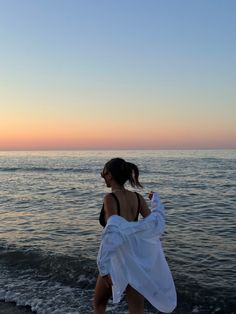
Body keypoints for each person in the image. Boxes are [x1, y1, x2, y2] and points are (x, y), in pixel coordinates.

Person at [93, 157, 176, 314]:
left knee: (99, 303)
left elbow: (113, 231)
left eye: (103, 172)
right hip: (135, 262)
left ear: (110, 175)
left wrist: (103, 268)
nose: (102, 176)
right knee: (136, 310)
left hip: (115, 259)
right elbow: (154, 223)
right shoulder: (137, 197)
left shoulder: (109, 198)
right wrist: (156, 202)